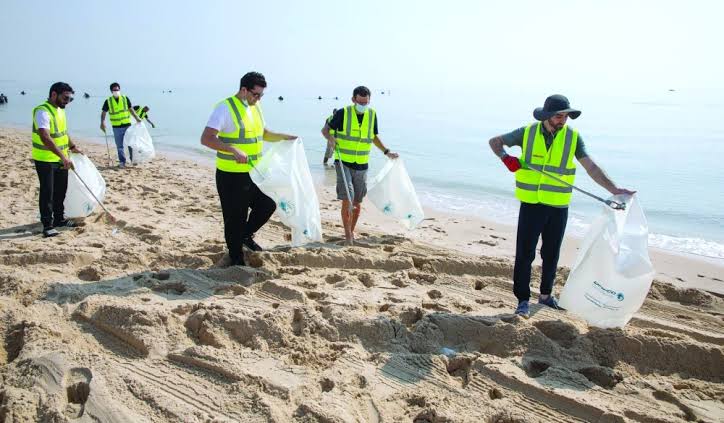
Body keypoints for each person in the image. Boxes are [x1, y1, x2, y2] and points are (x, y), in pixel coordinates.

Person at [488, 94, 636, 318]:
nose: (563, 120)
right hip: (531, 204)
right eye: (559, 116)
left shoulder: (573, 138)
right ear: (547, 116)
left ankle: (546, 296)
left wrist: (614, 190)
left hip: (558, 207)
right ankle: (522, 301)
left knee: (551, 254)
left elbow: (591, 167)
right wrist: (505, 157)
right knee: (525, 254)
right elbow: (495, 142)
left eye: (566, 116)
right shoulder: (526, 133)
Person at [200, 71, 297, 266]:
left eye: (261, 95)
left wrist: (284, 137)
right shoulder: (224, 108)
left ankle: (244, 237)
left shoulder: (256, 106)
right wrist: (232, 149)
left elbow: (263, 134)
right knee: (235, 218)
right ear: (244, 90)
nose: (258, 98)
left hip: (253, 173)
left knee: (267, 205)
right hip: (230, 175)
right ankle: (236, 259)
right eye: (256, 94)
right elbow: (206, 138)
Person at [321, 86, 398, 245]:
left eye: (366, 102)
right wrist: (331, 139)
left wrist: (387, 151)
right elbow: (325, 130)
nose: (363, 105)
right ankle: (348, 236)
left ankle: (351, 231)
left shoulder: (372, 114)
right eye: (360, 102)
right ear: (353, 99)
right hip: (343, 162)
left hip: (362, 164)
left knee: (357, 202)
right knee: (347, 199)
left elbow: (374, 136)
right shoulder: (343, 113)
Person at [32, 82, 83, 238]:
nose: (67, 102)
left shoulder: (60, 110)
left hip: (61, 159)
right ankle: (47, 225)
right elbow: (45, 137)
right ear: (54, 94)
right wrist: (62, 156)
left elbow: (63, 133)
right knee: (48, 192)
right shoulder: (42, 111)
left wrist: (73, 147)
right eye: (65, 98)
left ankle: (59, 220)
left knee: (61, 191)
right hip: (45, 159)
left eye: (70, 99)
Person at [100, 82, 141, 168]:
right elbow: (104, 112)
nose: (116, 91)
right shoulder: (108, 101)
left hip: (127, 125)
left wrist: (137, 118)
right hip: (117, 127)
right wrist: (102, 122)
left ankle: (133, 160)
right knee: (120, 146)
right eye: (114, 90)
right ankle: (122, 162)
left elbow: (131, 109)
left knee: (130, 144)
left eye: (118, 89)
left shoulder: (125, 98)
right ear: (111, 91)